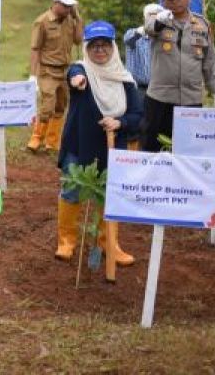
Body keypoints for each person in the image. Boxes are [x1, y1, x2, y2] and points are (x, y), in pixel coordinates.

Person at [55, 20, 140, 266]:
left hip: (112, 148)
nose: (100, 50)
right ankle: (67, 241)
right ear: (87, 48)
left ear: (113, 48)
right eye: (94, 46)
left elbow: (137, 115)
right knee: (72, 191)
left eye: (104, 45)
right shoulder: (81, 70)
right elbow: (73, 74)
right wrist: (77, 80)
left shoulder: (124, 79)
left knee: (109, 198)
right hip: (79, 145)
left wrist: (120, 123)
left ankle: (108, 243)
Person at [141, 0, 215, 152]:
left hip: (191, 99)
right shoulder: (158, 20)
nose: (174, 2)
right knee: (153, 148)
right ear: (163, 0)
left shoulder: (202, 24)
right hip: (160, 99)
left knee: (188, 150)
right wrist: (159, 21)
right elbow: (149, 28)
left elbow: (210, 60)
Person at [27, 0, 83, 153]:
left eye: (70, 6)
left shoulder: (69, 20)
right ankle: (36, 138)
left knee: (60, 105)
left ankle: (52, 141)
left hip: (65, 70)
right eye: (65, 6)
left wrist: (78, 18)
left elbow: (78, 40)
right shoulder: (42, 22)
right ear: (55, 3)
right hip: (48, 70)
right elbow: (35, 49)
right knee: (47, 105)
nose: (68, 9)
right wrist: (32, 75)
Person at [121, 4, 160, 150]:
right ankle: (131, 156)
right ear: (145, 17)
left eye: (157, 15)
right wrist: (146, 28)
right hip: (137, 88)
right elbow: (128, 40)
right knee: (135, 125)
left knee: (151, 126)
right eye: (151, 14)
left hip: (158, 89)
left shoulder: (162, 39)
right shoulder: (134, 34)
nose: (154, 17)